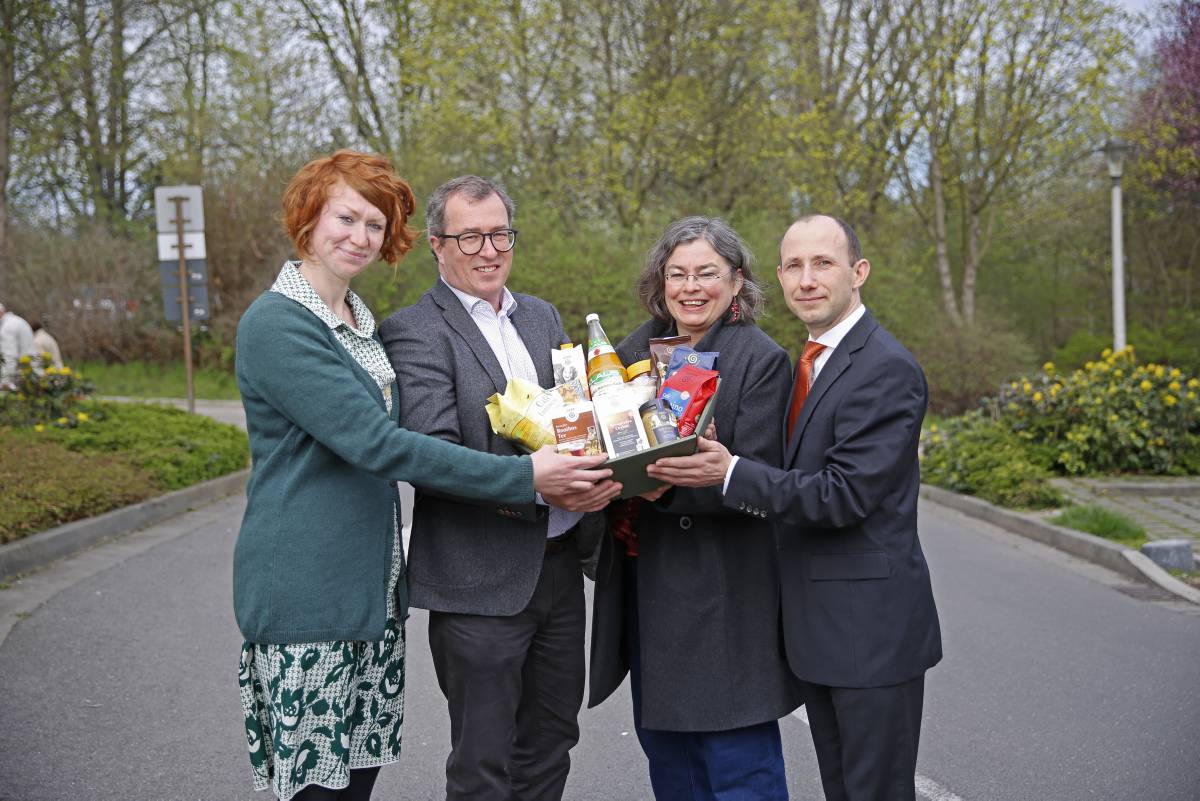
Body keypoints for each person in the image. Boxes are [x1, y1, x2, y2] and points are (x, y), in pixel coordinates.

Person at [233, 152, 612, 801]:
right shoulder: (278, 322)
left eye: (374, 225)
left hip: (372, 590)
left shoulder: (355, 318)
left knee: (360, 780)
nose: (360, 236)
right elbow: (384, 444)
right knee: (323, 788)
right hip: (310, 589)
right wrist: (530, 480)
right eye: (345, 218)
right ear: (307, 219)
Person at [648, 214, 943, 801]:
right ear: (778, 276)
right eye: (794, 266)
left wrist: (729, 471)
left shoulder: (885, 368)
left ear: (858, 273)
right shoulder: (813, 359)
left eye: (823, 263)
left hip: (871, 633)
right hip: (821, 636)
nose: (807, 280)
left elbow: (843, 495)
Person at [379, 175, 622, 801]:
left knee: (549, 745)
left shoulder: (542, 316)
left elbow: (573, 416)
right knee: (484, 763)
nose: (489, 251)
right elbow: (431, 456)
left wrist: (603, 470)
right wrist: (539, 486)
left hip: (561, 572)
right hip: (477, 581)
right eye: (471, 237)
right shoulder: (414, 330)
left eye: (500, 235)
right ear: (437, 244)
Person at [589, 216, 804, 799]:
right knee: (671, 763)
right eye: (677, 273)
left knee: (738, 766)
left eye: (707, 273)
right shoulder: (630, 351)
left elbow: (761, 477)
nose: (691, 287)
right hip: (647, 586)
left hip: (722, 594)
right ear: (660, 283)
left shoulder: (760, 360)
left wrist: (667, 487)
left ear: (737, 282)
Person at [0, 301, 37, 389]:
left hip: (23, 379)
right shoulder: (14, 321)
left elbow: (9, 357)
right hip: (29, 374)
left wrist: (4, 383)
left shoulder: (7, 327)